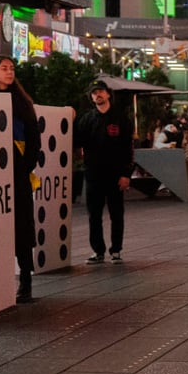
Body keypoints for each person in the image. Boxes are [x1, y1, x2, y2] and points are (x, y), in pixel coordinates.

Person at [0, 56, 41, 303]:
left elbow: (34, 137)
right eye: (3, 68)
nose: (9, 72)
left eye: (11, 69)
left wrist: (25, 164)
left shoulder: (22, 101)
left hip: (18, 168)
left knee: (22, 224)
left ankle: (25, 279)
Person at [74, 81, 135, 264]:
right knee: (94, 215)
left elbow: (128, 148)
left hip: (116, 174)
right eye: (94, 93)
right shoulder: (87, 120)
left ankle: (116, 250)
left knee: (117, 214)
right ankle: (98, 251)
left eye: (100, 91)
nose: (97, 95)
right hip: (93, 174)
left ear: (108, 94)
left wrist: (126, 174)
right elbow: (77, 142)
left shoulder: (121, 119)